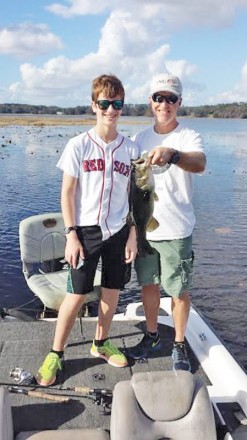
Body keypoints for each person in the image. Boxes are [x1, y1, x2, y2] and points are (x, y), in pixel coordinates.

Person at [36, 74, 138, 386]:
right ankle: (56, 353)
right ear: (94, 105)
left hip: (119, 231)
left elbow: (136, 194)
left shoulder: (130, 149)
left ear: (122, 107)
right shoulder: (78, 145)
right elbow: (67, 193)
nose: (111, 109)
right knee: (76, 295)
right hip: (86, 232)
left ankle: (101, 342)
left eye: (117, 104)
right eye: (105, 103)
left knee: (112, 291)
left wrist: (133, 231)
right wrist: (70, 234)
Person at [126, 73, 206, 371]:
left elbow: (199, 163)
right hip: (146, 229)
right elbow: (131, 188)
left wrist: (172, 154)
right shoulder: (139, 140)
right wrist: (132, 229)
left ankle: (180, 343)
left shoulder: (189, 136)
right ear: (151, 102)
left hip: (177, 230)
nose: (164, 104)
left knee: (178, 290)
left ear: (179, 103)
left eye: (171, 98)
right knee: (148, 284)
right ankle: (151, 335)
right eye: (159, 98)